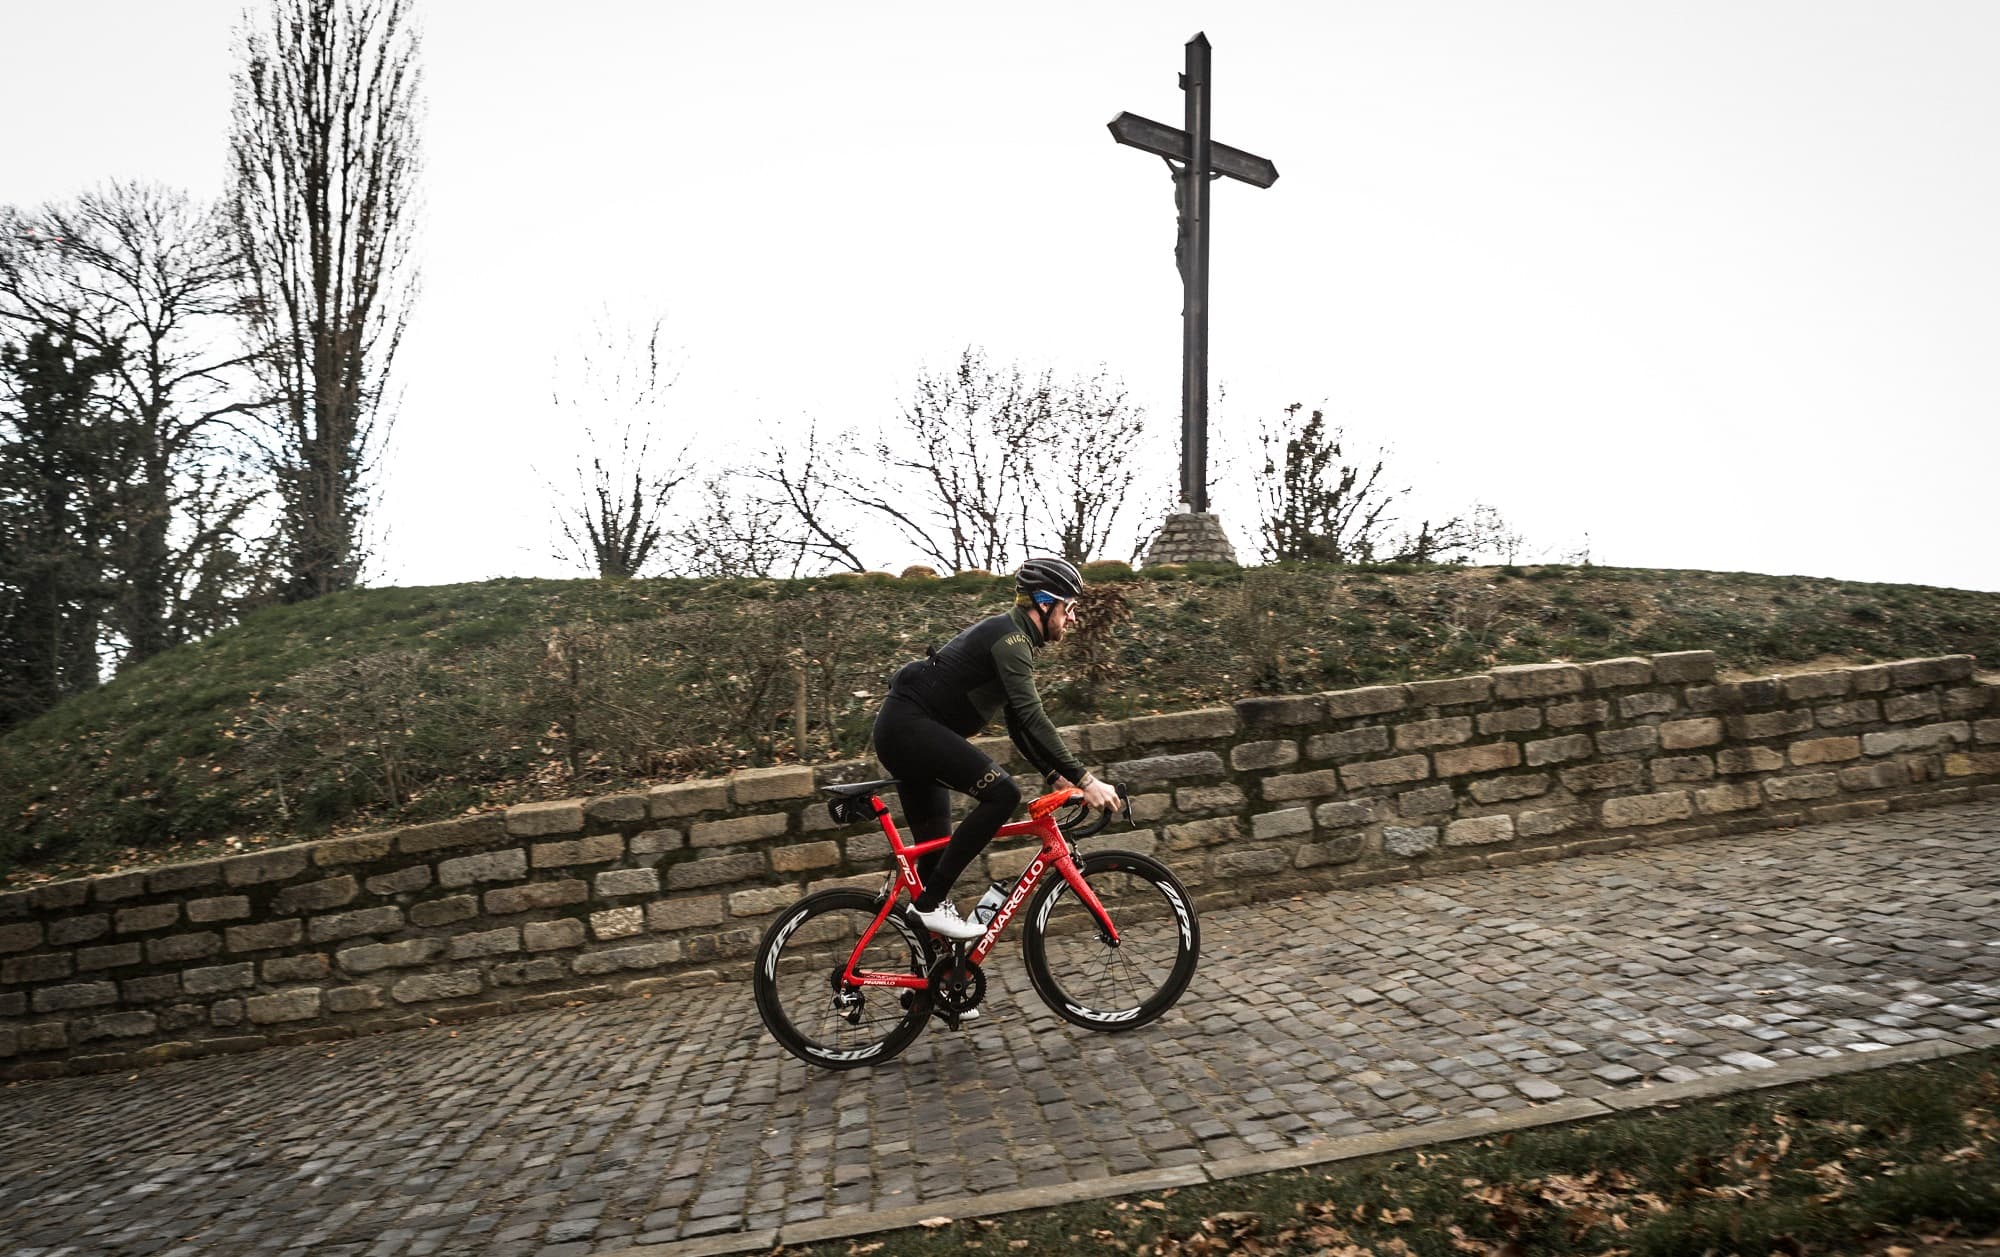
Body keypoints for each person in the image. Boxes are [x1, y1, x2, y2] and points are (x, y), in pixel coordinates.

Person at [872, 556, 1123, 942]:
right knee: (1003, 794)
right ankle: (930, 905)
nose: (1072, 619)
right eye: (1068, 608)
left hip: (907, 733)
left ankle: (929, 988)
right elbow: (1033, 717)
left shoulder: (1012, 637)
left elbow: (1018, 725)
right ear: (1044, 603)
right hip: (910, 730)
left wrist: (1054, 775)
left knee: (934, 866)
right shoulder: (1012, 641)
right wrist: (1085, 780)